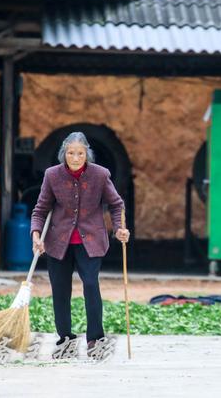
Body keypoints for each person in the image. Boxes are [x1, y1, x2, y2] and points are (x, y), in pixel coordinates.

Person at [30, 131, 130, 357]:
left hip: (91, 241)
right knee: (60, 290)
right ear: (63, 154)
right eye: (71, 153)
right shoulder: (52, 175)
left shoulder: (100, 175)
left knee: (91, 285)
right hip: (58, 242)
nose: (75, 158)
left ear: (87, 155)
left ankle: (95, 338)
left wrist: (120, 228)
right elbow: (40, 210)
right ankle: (65, 338)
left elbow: (116, 205)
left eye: (80, 153)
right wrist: (36, 234)